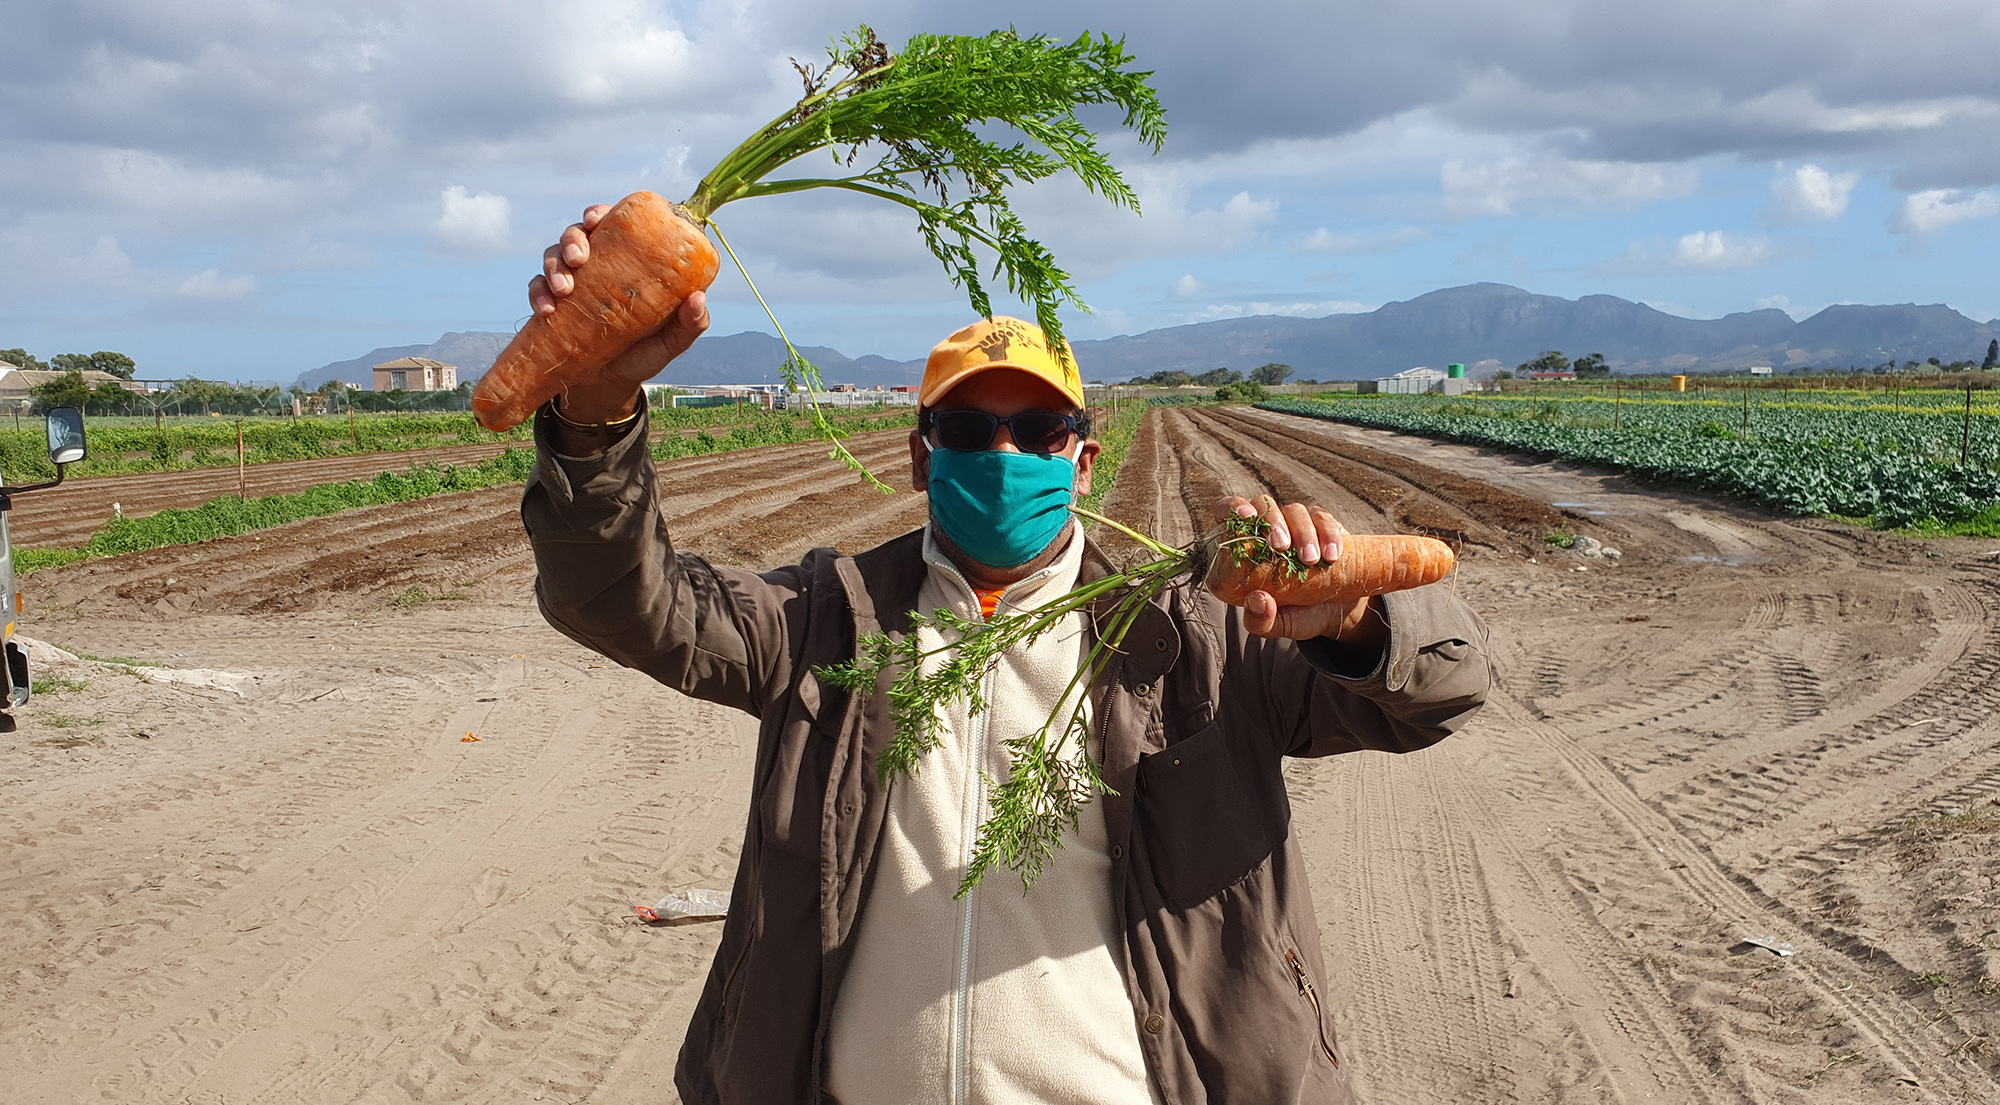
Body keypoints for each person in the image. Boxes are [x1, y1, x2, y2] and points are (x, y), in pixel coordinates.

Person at [520, 205, 1491, 1105]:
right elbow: (616, 597)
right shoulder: (823, 620)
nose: (1002, 453)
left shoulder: (1195, 629)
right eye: (966, 429)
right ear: (918, 454)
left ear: (1082, 455)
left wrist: (1354, 617)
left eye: (1036, 430)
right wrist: (591, 411)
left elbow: (1441, 685)